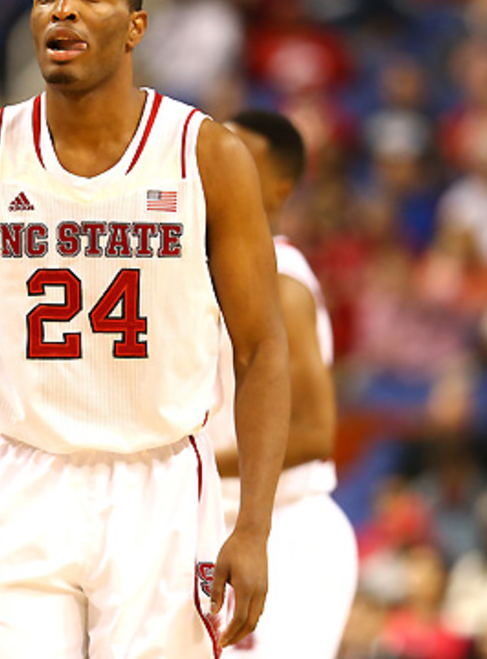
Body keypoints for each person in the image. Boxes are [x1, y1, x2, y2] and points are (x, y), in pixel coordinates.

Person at [0, 0, 290, 657]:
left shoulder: (205, 155)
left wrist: (254, 526)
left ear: (135, 25)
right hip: (25, 478)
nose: (64, 10)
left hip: (161, 483)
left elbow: (261, 346)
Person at [209, 110, 358, 658]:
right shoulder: (195, 269)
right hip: (209, 521)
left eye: (238, 158)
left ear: (279, 188)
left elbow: (317, 433)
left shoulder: (283, 281)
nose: (218, 168)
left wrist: (195, 458)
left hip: (288, 529)